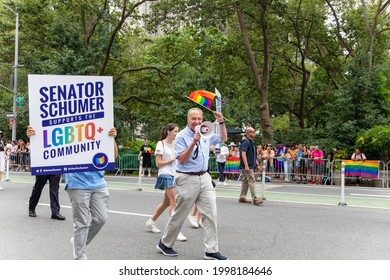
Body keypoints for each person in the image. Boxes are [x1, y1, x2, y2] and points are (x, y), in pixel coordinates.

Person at [27, 126, 118, 260]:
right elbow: (45, 150)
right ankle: (80, 256)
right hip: (77, 182)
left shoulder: (97, 126)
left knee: (101, 219)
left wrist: (112, 139)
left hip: (98, 181)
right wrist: (33, 137)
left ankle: (77, 242)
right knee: (81, 222)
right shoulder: (66, 130)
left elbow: (113, 156)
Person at [156, 107, 229, 260]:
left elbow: (223, 138)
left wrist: (221, 122)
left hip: (204, 177)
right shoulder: (182, 136)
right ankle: (165, 243)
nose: (197, 121)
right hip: (187, 178)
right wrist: (194, 142)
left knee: (211, 214)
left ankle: (211, 250)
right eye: (193, 119)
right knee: (180, 214)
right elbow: (181, 160)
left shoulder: (206, 132)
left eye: (199, 119)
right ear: (188, 119)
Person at [145, 123, 187, 241]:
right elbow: (158, 163)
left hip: (174, 174)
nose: (177, 134)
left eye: (178, 131)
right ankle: (174, 231)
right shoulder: (161, 143)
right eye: (175, 131)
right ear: (168, 132)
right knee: (174, 202)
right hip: (165, 173)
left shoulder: (176, 144)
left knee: (166, 202)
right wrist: (171, 159)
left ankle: (151, 221)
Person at [238, 127, 263, 205]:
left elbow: (253, 155)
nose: (254, 133)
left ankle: (242, 197)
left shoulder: (252, 142)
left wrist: (257, 164)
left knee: (245, 181)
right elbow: (243, 153)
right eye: (252, 132)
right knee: (251, 180)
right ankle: (255, 198)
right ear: (248, 133)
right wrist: (246, 165)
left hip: (250, 164)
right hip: (247, 165)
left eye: (254, 132)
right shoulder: (245, 142)